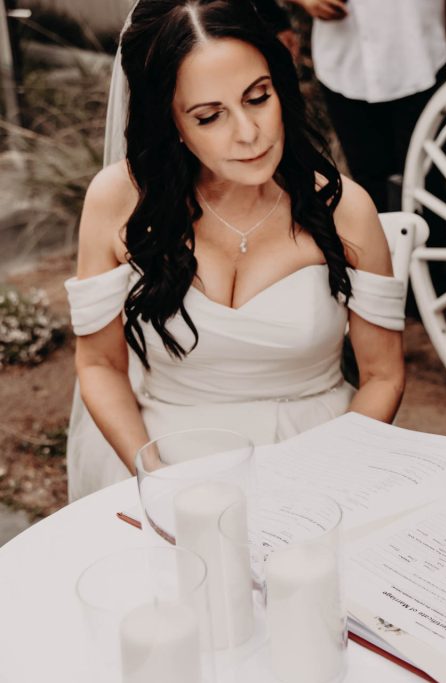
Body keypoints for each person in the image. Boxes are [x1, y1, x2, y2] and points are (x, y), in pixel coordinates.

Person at [63, 0, 405, 501]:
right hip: (165, 461)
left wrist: (326, 480)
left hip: (322, 460)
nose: (248, 134)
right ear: (171, 123)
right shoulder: (117, 201)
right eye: (209, 117)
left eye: (258, 97)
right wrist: (155, 475)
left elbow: (382, 374)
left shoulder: (344, 208)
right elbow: (99, 366)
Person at [287, 0, 446, 212]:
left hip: (416, 54)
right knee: (370, 189)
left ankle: (432, 243)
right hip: (345, 62)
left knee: (429, 186)